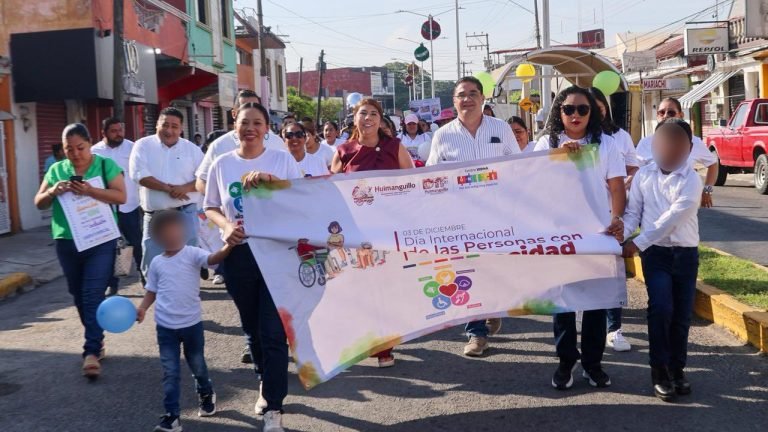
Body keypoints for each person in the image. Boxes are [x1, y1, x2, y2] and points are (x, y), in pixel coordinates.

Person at [205, 102, 302, 432]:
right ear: (235, 126)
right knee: (253, 328)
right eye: (245, 122)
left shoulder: (281, 159)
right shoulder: (222, 164)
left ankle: (274, 407)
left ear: (266, 128)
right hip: (239, 256)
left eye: (257, 123)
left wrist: (272, 181)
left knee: (273, 332)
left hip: (276, 253)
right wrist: (226, 227)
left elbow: (301, 197)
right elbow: (211, 206)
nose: (250, 128)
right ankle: (263, 378)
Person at [533, 85, 626, 390]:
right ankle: (565, 362)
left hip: (597, 235)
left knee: (597, 304)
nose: (575, 115)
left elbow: (616, 187)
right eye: (568, 109)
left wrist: (617, 219)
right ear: (559, 112)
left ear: (592, 113)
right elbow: (532, 184)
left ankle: (593, 364)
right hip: (559, 236)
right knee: (563, 304)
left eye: (583, 109)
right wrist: (559, 158)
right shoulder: (546, 144)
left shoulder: (606, 144)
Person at [426, 76, 519, 357]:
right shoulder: (443, 135)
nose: (467, 99)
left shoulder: (500, 129)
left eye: (473, 93)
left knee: (494, 270)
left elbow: (517, 167)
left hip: (497, 216)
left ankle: (493, 307)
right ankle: (476, 333)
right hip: (460, 219)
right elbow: (432, 175)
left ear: (483, 98)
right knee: (467, 272)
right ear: (454, 101)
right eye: (461, 95)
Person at [33, 123, 126, 379]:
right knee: (77, 294)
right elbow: (39, 203)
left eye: (80, 148)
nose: (75, 154)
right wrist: (52, 191)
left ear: (90, 143)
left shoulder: (105, 165)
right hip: (67, 241)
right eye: (69, 149)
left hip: (100, 240)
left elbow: (121, 196)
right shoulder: (56, 169)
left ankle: (91, 351)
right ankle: (97, 338)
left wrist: (90, 190)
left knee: (92, 294)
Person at [622, 118, 702, 402]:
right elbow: (633, 213)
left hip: (685, 254)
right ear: (654, 146)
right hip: (655, 254)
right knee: (661, 308)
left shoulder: (692, 180)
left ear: (688, 148)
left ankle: (677, 369)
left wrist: (637, 243)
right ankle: (659, 372)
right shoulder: (644, 176)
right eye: (664, 144)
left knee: (681, 315)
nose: (669, 150)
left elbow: (672, 219)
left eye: (677, 145)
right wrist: (620, 233)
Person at [331, 98, 414, 368]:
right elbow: (329, 191)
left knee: (384, 289)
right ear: (354, 118)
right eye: (362, 113)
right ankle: (363, 340)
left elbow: (413, 182)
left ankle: (384, 347)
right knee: (359, 289)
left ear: (380, 120)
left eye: (373, 114)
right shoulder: (343, 151)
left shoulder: (395, 147)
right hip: (355, 233)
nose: (367, 118)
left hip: (388, 230)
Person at [136, 210, 231, 432]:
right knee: (170, 372)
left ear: (184, 232)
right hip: (165, 328)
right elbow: (152, 290)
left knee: (197, 365)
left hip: (191, 325)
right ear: (158, 238)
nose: (172, 236)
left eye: (176, 231)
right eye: (166, 233)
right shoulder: (157, 263)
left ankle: (206, 392)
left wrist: (228, 246)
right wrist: (142, 308)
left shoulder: (192, 253)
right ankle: (172, 416)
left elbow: (212, 259)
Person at [588, 87, 639, 353]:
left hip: (611, 215)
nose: (594, 113)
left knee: (611, 274)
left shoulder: (619, 137)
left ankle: (614, 329)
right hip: (580, 219)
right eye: (586, 109)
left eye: (598, 108)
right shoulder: (568, 139)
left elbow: (633, 166)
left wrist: (625, 180)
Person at [129, 107, 204, 278]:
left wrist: (184, 189)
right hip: (155, 216)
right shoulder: (143, 145)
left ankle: (185, 289)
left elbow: (204, 178)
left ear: (181, 128)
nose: (169, 130)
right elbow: (139, 176)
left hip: (186, 214)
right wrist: (169, 189)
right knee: (152, 262)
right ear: (157, 124)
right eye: (165, 125)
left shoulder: (192, 149)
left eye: (174, 126)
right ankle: (154, 289)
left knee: (187, 262)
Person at [92, 117, 143, 293]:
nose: (118, 134)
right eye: (113, 131)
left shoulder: (132, 148)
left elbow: (140, 174)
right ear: (103, 132)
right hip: (105, 207)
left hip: (129, 205)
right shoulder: (95, 152)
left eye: (120, 130)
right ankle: (111, 283)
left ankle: (144, 275)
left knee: (136, 242)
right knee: (108, 246)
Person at [636, 97, 717, 208]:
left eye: (671, 112)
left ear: (681, 115)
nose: (665, 116)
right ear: (657, 116)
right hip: (650, 206)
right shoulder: (645, 143)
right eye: (661, 112)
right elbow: (636, 173)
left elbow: (713, 164)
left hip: (682, 205)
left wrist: (707, 190)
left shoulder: (693, 142)